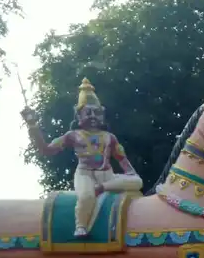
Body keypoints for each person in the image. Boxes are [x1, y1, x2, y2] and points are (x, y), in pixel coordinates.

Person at [21, 78, 143, 237]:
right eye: (88, 112)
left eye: (97, 112)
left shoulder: (110, 137)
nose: (93, 116)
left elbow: (123, 161)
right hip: (85, 175)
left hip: (107, 177)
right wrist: (32, 126)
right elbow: (46, 150)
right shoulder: (73, 135)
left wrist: (131, 176)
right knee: (86, 196)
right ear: (78, 115)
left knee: (137, 181)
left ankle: (102, 188)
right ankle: (81, 226)